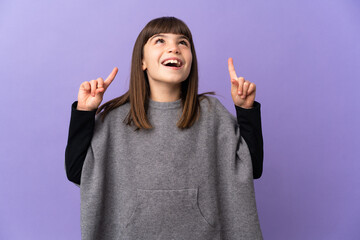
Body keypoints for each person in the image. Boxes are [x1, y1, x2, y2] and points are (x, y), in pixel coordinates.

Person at [65, 16, 264, 240]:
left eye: (183, 43)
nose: (174, 48)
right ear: (142, 61)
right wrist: (84, 112)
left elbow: (251, 168)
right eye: (160, 40)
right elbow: (77, 172)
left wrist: (245, 110)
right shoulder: (115, 118)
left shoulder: (211, 113)